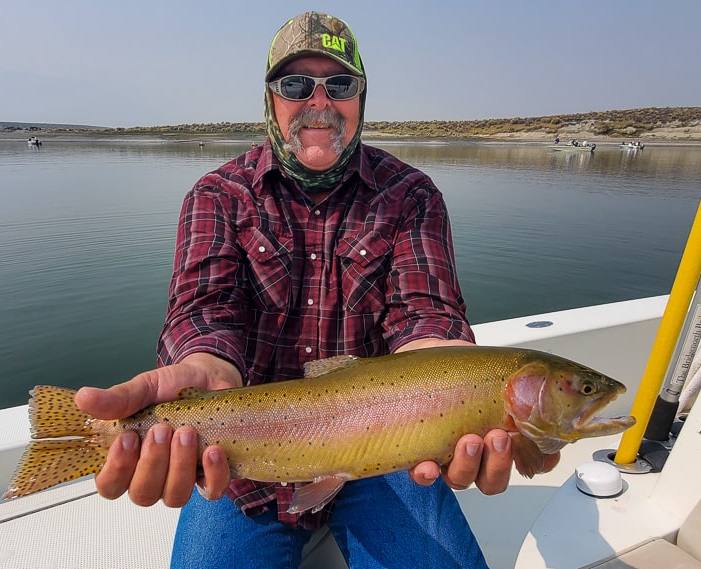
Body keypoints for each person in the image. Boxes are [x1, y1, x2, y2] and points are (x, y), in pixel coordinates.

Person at [74, 11, 558, 568]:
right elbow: (204, 313)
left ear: (361, 97)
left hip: (389, 460)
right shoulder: (217, 196)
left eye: (341, 84)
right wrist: (204, 365)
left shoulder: (411, 195)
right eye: (296, 84)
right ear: (271, 98)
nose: (319, 101)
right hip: (244, 465)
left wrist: (452, 384)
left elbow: (425, 316)